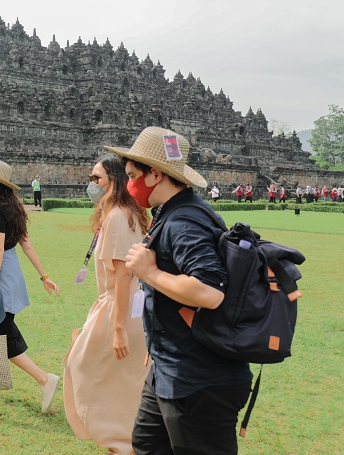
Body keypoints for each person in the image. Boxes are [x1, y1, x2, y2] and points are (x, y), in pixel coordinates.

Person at [106, 126, 252, 454]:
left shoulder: (184, 223)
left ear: (155, 175)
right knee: (146, 446)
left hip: (200, 379)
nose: (128, 184)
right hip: (170, 365)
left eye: (132, 175)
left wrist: (150, 272)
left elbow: (209, 292)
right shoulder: (171, 213)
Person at [0, 159, 62, 413]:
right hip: (11, 274)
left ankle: (44, 379)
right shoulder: (14, 207)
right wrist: (43, 276)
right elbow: (26, 245)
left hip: (0, 275)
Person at [64, 154, 150, 454]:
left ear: (115, 181)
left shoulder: (117, 216)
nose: (92, 184)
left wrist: (118, 329)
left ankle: (120, 444)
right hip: (126, 307)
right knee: (120, 383)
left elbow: (124, 275)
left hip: (119, 307)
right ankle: (123, 442)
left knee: (80, 366)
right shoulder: (127, 213)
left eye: (96, 178)